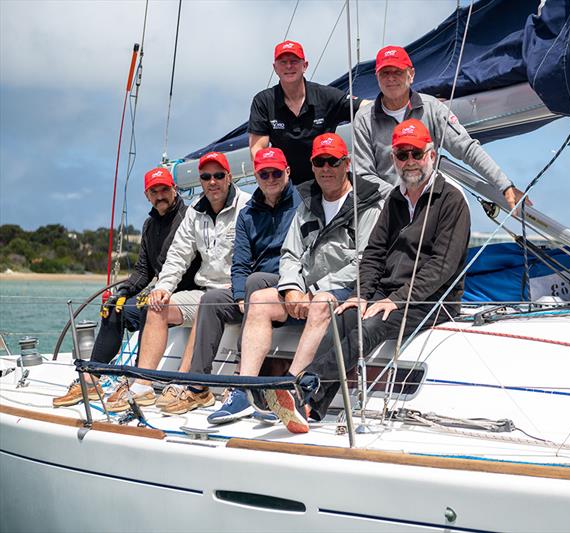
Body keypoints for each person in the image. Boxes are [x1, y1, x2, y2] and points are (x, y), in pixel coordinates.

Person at [270, 119, 470, 433]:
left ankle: (301, 388)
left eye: (416, 153)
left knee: (370, 327)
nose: (409, 162)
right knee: (342, 319)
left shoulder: (452, 201)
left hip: (429, 300)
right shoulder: (394, 200)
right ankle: (312, 409)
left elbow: (442, 266)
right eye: (402, 155)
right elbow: (374, 254)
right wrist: (360, 295)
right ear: (394, 160)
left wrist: (397, 299)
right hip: (386, 294)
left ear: (431, 154)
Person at [219, 132, 386, 431]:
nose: (326, 168)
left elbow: (364, 260)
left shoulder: (368, 206)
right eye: (319, 162)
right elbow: (290, 253)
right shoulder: (308, 204)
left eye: (333, 161)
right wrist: (292, 288)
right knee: (258, 299)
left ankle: (290, 390)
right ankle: (243, 390)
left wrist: (313, 290)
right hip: (305, 290)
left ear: (346, 164)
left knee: (321, 303)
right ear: (311, 165)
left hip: (341, 291)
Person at [104, 152, 251, 412]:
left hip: (237, 293)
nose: (212, 182)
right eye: (206, 177)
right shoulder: (196, 211)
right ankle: (143, 384)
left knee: (207, 304)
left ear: (229, 178)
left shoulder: (246, 207)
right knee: (156, 305)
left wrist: (241, 287)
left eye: (218, 176)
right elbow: (178, 255)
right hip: (206, 290)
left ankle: (183, 383)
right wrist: (163, 288)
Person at [164, 147, 301, 419]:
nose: (270, 178)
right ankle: (198, 384)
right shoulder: (249, 213)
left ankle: (241, 383)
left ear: (287, 173)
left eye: (275, 173)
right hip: (254, 288)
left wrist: (256, 288)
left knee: (256, 280)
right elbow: (240, 261)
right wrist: (239, 295)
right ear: (256, 176)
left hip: (289, 284)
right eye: (264, 173)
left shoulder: (301, 206)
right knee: (211, 299)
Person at [53, 168, 200, 407]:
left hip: (187, 295)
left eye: (165, 189)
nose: (160, 195)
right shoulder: (149, 225)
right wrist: (122, 293)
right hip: (161, 293)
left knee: (146, 307)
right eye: (155, 191)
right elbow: (144, 271)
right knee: (115, 308)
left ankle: (140, 382)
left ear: (175, 189)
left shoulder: (189, 217)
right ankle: (91, 380)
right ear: (147, 195)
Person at [352, 45, 528, 211]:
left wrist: (504, 184)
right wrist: (400, 198)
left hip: (428, 207)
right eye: (385, 73)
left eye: (397, 72)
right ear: (377, 77)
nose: (391, 78)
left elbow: (466, 149)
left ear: (411, 74)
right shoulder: (364, 119)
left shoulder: (433, 108)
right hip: (387, 208)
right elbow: (364, 175)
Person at [248, 40, 366, 185]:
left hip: (325, 181)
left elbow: (365, 108)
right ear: (275, 68)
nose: (289, 66)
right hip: (286, 185)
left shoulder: (325, 96)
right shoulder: (263, 101)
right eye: (283, 62)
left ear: (305, 65)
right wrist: (269, 181)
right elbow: (258, 149)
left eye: (294, 61)